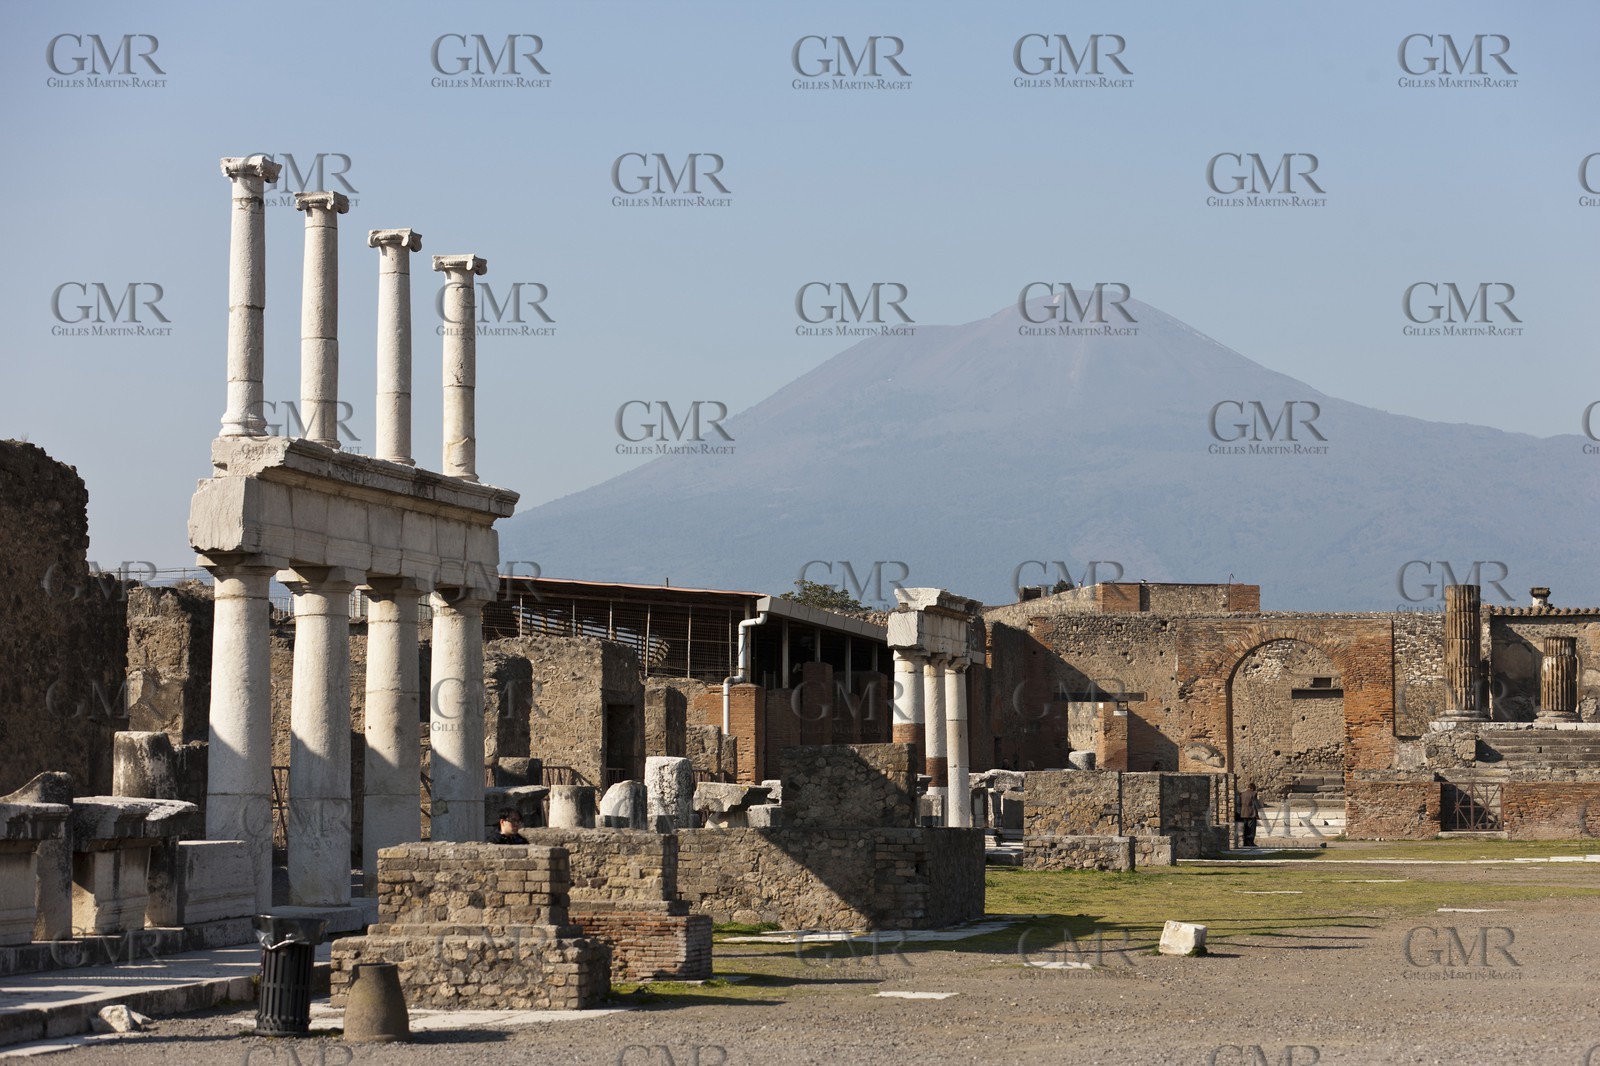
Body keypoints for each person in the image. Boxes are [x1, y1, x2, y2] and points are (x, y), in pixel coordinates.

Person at [1237, 782, 1263, 848]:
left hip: (1243, 813)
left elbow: (1239, 804)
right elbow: (1255, 805)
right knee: (1251, 829)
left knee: (1245, 828)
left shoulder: (1242, 794)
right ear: (1253, 788)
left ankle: (1245, 842)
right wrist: (1257, 814)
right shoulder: (1254, 794)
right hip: (1251, 813)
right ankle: (1250, 842)